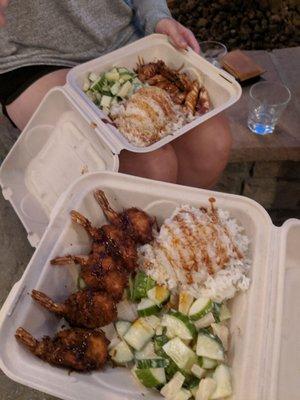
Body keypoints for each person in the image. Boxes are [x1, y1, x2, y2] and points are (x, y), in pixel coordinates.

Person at [0, 0, 231, 188]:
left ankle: (172, 232)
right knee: (151, 167)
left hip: (122, 38)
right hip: (33, 58)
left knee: (213, 143)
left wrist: (158, 16)